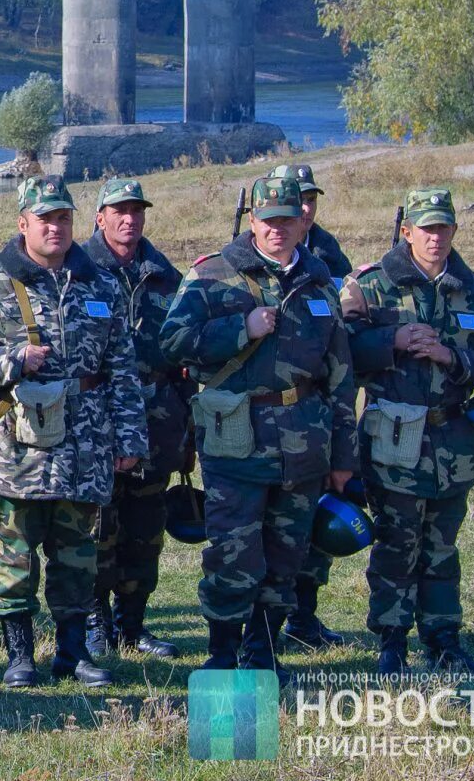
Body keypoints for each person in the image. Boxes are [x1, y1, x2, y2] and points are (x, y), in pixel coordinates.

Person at [161, 176, 356, 681]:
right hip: (236, 443)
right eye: (267, 221)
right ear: (252, 222)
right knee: (232, 554)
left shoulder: (319, 282)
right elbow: (173, 342)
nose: (277, 230)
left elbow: (340, 377)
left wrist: (343, 459)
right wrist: (238, 330)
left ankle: (263, 652)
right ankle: (224, 654)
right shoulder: (212, 275)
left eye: (287, 220)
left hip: (304, 446)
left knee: (285, 558)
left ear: (302, 222)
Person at [0, 175, 145, 689]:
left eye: (63, 217)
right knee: (16, 556)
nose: (55, 228)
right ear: (23, 224)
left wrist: (129, 440)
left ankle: (73, 652)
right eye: (45, 219)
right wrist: (12, 360)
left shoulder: (102, 286)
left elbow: (123, 368)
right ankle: (19, 655)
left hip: (87, 444)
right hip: (22, 447)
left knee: (77, 555)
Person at [344, 188, 474, 676]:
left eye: (443, 228)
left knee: (442, 546)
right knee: (397, 544)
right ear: (407, 231)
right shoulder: (370, 285)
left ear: (454, 230)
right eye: (426, 228)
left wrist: (453, 358)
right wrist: (391, 341)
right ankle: (391, 643)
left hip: (453, 442)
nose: (435, 238)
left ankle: (444, 642)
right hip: (393, 440)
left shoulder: (472, 289)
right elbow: (338, 354)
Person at [80, 178, 191, 659]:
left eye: (137, 211)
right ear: (100, 217)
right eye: (119, 211)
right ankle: (94, 624)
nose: (129, 220)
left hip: (155, 426)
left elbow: (186, 359)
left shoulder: (166, 276)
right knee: (97, 528)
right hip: (96, 424)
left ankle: (133, 625)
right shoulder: (79, 272)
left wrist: (185, 428)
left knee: (145, 531)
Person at [268, 162, 354, 649]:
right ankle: (265, 623)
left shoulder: (325, 251)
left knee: (313, 517)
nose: (304, 207)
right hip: (263, 415)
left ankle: (304, 614)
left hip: (315, 407)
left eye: (311, 198)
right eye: (296, 197)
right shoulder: (260, 250)